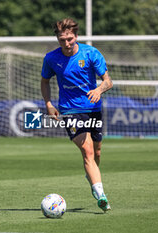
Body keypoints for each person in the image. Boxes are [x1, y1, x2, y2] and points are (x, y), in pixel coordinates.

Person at [41, 18, 113, 211]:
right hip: (70, 110)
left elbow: (108, 81)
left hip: (93, 109)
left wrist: (98, 90)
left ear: (76, 36)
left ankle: (91, 179)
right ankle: (101, 195)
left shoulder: (91, 53)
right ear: (57, 37)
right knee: (87, 150)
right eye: (62, 39)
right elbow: (45, 81)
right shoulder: (51, 58)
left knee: (96, 151)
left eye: (70, 39)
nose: (66, 43)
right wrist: (48, 104)